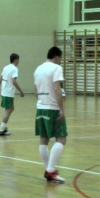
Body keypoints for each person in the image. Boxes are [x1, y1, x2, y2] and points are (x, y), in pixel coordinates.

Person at [34, 47, 67, 183]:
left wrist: (42, 102)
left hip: (40, 107)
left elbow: (36, 91)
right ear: (57, 57)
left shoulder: (38, 69)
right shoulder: (56, 68)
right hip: (52, 108)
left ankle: (48, 169)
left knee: (44, 139)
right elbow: (57, 88)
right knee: (61, 139)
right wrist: (61, 108)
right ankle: (51, 170)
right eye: (61, 58)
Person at [0, 53, 25, 136]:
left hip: (4, 91)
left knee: (10, 109)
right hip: (9, 92)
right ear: (15, 60)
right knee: (9, 110)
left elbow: (0, 78)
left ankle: (4, 127)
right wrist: (21, 91)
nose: (19, 62)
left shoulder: (6, 67)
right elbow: (14, 81)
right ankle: (2, 129)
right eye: (18, 60)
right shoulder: (14, 69)